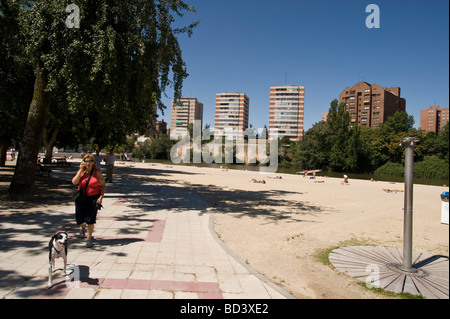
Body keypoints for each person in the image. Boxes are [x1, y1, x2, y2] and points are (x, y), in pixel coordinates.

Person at [72, 154, 106, 248]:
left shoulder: (97, 172)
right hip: (81, 198)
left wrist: (101, 197)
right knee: (79, 218)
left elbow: (103, 186)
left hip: (93, 198)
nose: (88, 163)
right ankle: (82, 226)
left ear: (93, 163)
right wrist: (80, 170)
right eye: (86, 161)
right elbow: (74, 182)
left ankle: (89, 238)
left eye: (90, 161)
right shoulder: (81, 172)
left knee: (90, 219)